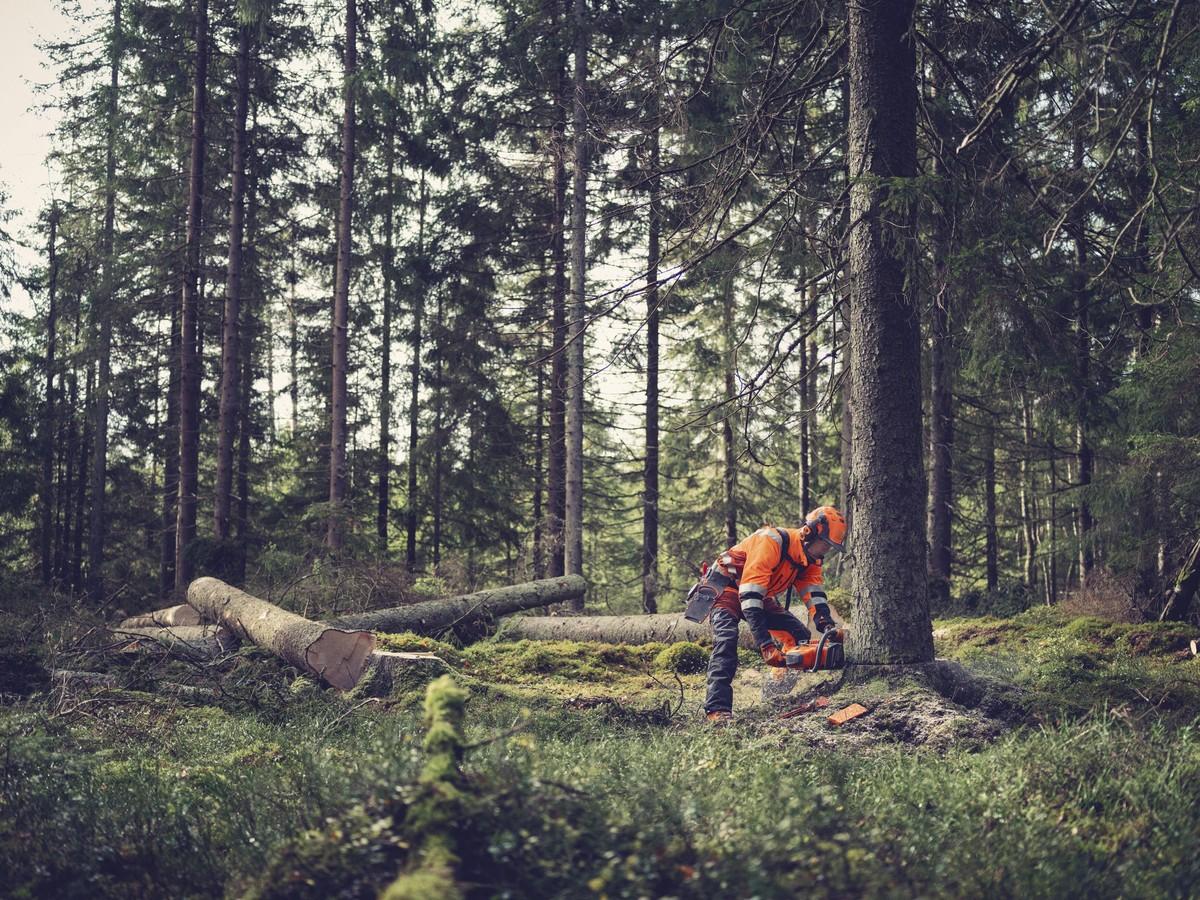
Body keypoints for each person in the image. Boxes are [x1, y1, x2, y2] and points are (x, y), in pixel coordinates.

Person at [690, 505, 847, 723]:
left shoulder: (809, 560)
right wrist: (766, 645)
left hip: (757, 595)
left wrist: (827, 625)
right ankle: (717, 710)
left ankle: (774, 693)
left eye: (830, 547)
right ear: (810, 532)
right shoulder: (771, 541)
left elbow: (814, 595)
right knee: (726, 641)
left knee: (799, 637)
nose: (826, 551)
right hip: (725, 588)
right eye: (825, 544)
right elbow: (750, 597)